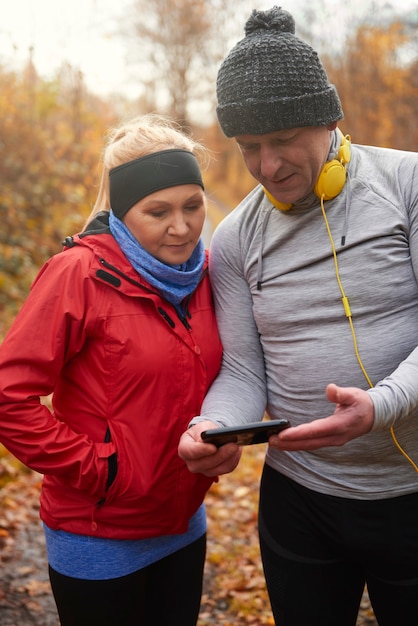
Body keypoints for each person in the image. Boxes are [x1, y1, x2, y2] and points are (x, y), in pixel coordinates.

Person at [178, 6, 418, 626]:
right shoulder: (233, 240)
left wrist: (383, 403)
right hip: (300, 503)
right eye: (249, 147)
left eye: (283, 140)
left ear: (331, 121)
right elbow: (242, 371)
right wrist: (215, 427)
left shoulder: (406, 184)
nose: (267, 166)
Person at [0, 113, 222, 626]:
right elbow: (10, 398)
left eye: (193, 205)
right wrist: (102, 470)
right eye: (158, 211)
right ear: (122, 211)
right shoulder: (77, 274)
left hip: (183, 521)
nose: (182, 226)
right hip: (97, 534)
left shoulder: (206, 273)